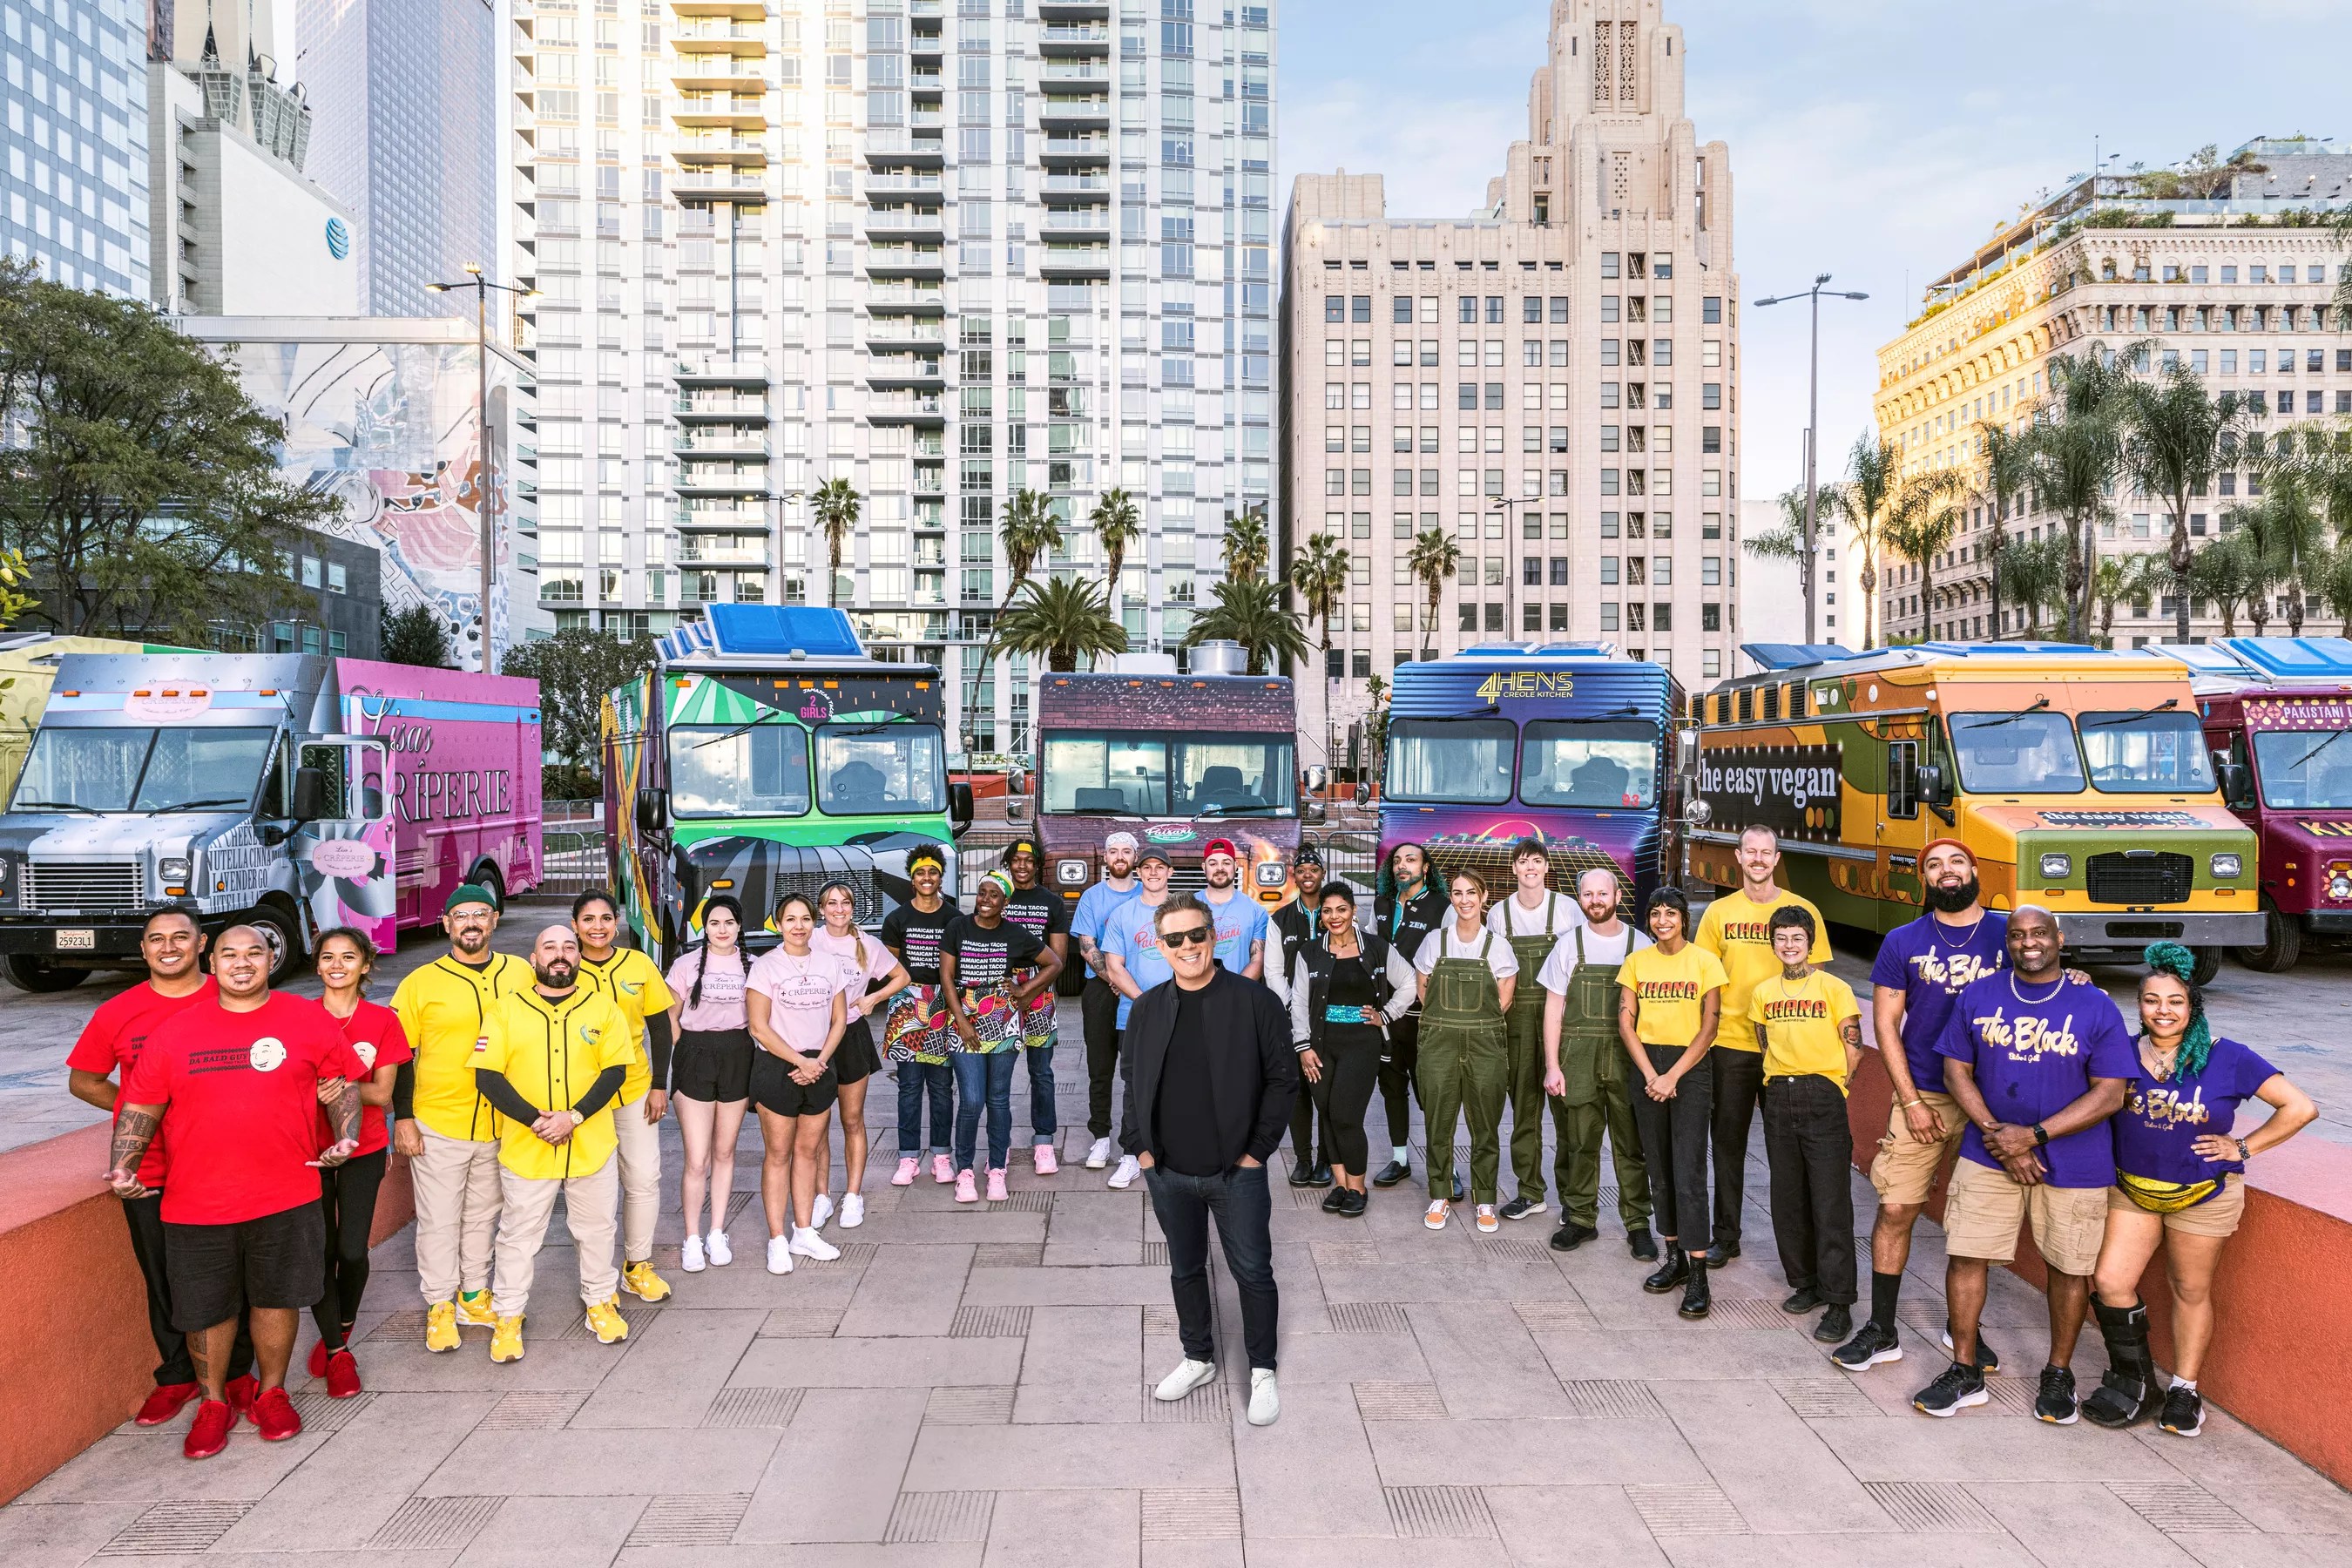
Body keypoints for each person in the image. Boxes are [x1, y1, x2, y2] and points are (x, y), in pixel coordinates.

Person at [105, 925, 365, 1459]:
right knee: (206, 1309)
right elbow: (140, 1107)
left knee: (277, 1298)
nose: (242, 962)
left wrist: (345, 1135)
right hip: (196, 1201)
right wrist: (123, 1166)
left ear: (273, 959)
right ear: (212, 960)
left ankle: (271, 1392)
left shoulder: (306, 1019)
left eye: (255, 952)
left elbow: (339, 1083)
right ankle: (213, 1402)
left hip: (288, 1195)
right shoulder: (176, 1032)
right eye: (230, 953)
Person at [2082, 943, 2315, 1436]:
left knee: (2189, 1289)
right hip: (2132, 1192)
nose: (2163, 1011)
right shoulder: (2120, 1053)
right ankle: (2139, 1381)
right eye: (2151, 1000)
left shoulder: (2225, 1057)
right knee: (2110, 1282)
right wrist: (2081, 988)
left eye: (2175, 1001)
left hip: (2204, 1197)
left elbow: (2299, 1108)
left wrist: (2244, 1148)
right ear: (2139, 1005)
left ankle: (2186, 1389)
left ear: (2194, 1007)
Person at [1913, 907, 2132, 1423]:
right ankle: (1965, 1370)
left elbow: (2111, 1094)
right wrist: (1998, 1134)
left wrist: (2032, 1137)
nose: (2028, 943)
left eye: (2038, 934)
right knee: (1966, 1254)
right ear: (2007, 943)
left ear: (2059, 938)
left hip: (2075, 1160)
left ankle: (2058, 1373)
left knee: (2068, 1267)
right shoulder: (1980, 994)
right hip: (1988, 1154)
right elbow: (1955, 1069)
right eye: (2017, 935)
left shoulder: (2094, 1004)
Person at [68, 909, 255, 1428]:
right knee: (162, 1275)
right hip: (149, 1168)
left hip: (225, 1163)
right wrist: (143, 1112)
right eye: (156, 939)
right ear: (144, 948)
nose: (168, 947)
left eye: (180, 937)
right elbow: (84, 1080)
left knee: (230, 1271)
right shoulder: (118, 1011)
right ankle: (176, 1376)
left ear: (202, 945)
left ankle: (237, 1372)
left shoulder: (233, 994)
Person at [1834, 839, 2011, 1375]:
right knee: (1895, 1209)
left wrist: (2077, 977)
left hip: (1996, 1099)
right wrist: (1909, 1099)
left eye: (1957, 861)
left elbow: (2050, 979)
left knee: (1975, 1224)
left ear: (1975, 869)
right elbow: (1885, 1024)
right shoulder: (1902, 940)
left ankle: (1965, 1331)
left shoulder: (2010, 931)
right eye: (1934, 865)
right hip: (1927, 1093)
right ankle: (1882, 1329)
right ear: (1925, 880)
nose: (1946, 871)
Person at [1123, 892, 1295, 1428]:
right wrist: (1143, 1151)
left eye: (1196, 935)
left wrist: (1255, 1154)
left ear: (1213, 936)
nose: (1188, 946)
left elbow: (1281, 1081)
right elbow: (1131, 1081)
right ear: (1160, 946)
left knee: (1253, 1272)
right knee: (1185, 1268)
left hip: (1235, 1173)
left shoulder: (1254, 1001)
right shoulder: (1148, 1007)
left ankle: (1262, 1369)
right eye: (1175, 939)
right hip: (1168, 1172)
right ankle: (1198, 1357)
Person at [473, 926, 638, 1363]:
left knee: (597, 1228)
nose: (560, 954)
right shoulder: (505, 1009)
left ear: (579, 957)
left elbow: (615, 1072)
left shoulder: (603, 1008)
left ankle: (600, 1301)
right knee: (517, 1238)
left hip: (591, 1143)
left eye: (569, 946)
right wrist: (537, 1121)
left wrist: (574, 1117)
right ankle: (508, 1316)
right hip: (528, 1147)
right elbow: (487, 1076)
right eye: (550, 947)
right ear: (533, 958)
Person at [389, 883, 533, 1351]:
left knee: (483, 1215)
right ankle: (440, 1305)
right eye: (461, 916)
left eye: (481, 914)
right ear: (446, 924)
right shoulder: (420, 982)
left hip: (502, 1120)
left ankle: (473, 1296)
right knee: (438, 1220)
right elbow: (400, 1055)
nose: (471, 923)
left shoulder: (521, 972)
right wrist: (404, 1118)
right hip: (438, 1120)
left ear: (493, 921)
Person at [1694, 826, 1829, 1264]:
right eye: (1749, 851)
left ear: (1776, 858)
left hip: (1787, 1051)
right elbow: (1706, 983)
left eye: (1765, 852)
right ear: (1738, 856)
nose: (1757, 859)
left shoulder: (1803, 909)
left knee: (1789, 1151)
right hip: (1731, 1046)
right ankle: (1726, 1237)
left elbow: (1820, 983)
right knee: (1728, 1145)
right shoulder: (1718, 912)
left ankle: (1796, 1243)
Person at [1748, 906, 1864, 1346]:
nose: (1789, 945)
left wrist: (1838, 1089)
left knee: (1831, 1201)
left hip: (1823, 1095)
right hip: (1779, 1094)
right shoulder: (1763, 993)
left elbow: (1853, 1047)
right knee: (1788, 1197)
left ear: (1810, 942)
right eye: (1781, 939)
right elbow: (1765, 1045)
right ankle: (1807, 1282)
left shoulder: (1834, 989)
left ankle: (1839, 1302)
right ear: (1773, 943)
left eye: (1797, 938)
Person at [306, 929, 410, 1398]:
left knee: (351, 1251)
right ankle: (335, 1349)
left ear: (365, 965)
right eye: (328, 957)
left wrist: (339, 1088)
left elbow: (383, 1095)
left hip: (363, 1148)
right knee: (319, 1253)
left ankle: (343, 1320)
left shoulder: (383, 1021)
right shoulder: (297, 1018)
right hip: (305, 1151)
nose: (337, 965)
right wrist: (333, 1089)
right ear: (317, 965)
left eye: (348, 957)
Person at [1616, 887, 1727, 1320]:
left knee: (1689, 1171)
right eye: (1656, 913)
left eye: (1671, 914)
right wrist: (1650, 1075)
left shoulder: (1704, 962)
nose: (1663, 921)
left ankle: (1698, 1273)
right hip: (1648, 1065)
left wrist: (1673, 1076)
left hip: (1689, 1068)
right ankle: (1674, 1256)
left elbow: (1710, 1026)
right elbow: (1627, 1023)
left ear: (1684, 919)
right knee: (1659, 1170)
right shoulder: (1636, 963)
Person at [1538, 869, 1656, 1259]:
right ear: (1580, 899)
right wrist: (1553, 1065)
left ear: (1618, 896)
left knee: (1630, 1145)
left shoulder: (1640, 945)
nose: (1595, 900)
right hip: (1579, 1057)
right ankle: (1581, 1219)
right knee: (1580, 1142)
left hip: (1626, 1058)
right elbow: (1553, 1008)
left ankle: (1638, 1224)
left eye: (1602, 893)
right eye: (1587, 894)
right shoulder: (1568, 945)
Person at [1285, 882, 1416, 1218]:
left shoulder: (1375, 947)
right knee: (1327, 1113)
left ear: (1354, 910)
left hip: (1362, 1042)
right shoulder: (1309, 952)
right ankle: (1341, 1184)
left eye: (1341, 909)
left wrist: (1386, 1014)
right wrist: (1302, 1047)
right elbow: (1298, 1001)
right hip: (1319, 1045)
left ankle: (1358, 1188)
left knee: (1345, 1114)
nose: (1334, 916)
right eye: (1327, 911)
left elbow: (1410, 982)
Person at [571, 891, 676, 1305]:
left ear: (617, 921)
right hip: (580, 1098)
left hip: (634, 1090)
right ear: (575, 924)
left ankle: (637, 1266)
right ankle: (595, 1277)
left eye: (606, 918)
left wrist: (659, 1085)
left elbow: (661, 1029)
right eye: (588, 919)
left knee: (644, 1178)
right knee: (591, 1190)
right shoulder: (563, 966)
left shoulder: (638, 964)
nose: (597, 926)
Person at [943, 871, 1064, 1201]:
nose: (985, 900)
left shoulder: (1015, 933)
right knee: (971, 1100)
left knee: (998, 1099)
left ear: (1005, 902)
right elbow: (946, 977)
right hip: (964, 1020)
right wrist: (961, 1022)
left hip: (1003, 1021)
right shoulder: (958, 928)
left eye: (994, 895)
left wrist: (1025, 990)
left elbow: (1054, 962)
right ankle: (965, 1171)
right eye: (981, 893)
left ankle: (997, 1169)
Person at [746, 892, 849, 1270]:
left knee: (808, 1153)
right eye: (790, 919)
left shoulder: (828, 963)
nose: (799, 926)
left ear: (814, 922)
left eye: (805, 918)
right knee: (778, 1155)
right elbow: (758, 1025)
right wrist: (799, 1061)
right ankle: (777, 1239)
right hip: (778, 1068)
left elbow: (839, 1019)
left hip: (820, 1067)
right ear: (778, 923)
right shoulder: (766, 967)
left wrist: (819, 1061)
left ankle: (803, 1232)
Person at [1416, 869, 1520, 1233]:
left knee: (1485, 1124)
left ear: (1484, 896)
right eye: (1458, 893)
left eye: (1471, 893)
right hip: (1440, 1040)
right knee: (1438, 1122)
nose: (1464, 900)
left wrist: (1476, 1022)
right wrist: (1448, 1021)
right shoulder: (1434, 941)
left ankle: (1486, 1198)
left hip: (1484, 1042)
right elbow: (1423, 991)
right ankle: (1440, 1194)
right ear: (1452, 898)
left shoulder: (1498, 946)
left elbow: (1504, 998)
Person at [1484, 838, 1572, 1222]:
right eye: (1523, 862)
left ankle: (1573, 1198)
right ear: (1514, 869)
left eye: (1537, 861)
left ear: (1547, 867)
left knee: (1568, 1114)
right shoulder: (1499, 916)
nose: (1530, 868)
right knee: (1524, 1113)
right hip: (1516, 1024)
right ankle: (1530, 1191)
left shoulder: (1568, 910)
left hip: (1562, 1025)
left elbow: (1577, 972)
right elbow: (1496, 974)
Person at [664, 895, 754, 1271]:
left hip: (737, 1053)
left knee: (725, 1152)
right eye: (714, 923)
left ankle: (717, 1232)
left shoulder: (755, 966)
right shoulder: (685, 965)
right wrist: (683, 1051)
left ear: (738, 926)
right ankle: (692, 1237)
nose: (722, 930)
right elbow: (669, 1014)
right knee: (697, 1159)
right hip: (695, 1054)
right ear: (705, 927)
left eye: (729, 923)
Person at [814, 880, 911, 1229]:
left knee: (851, 1119)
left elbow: (902, 976)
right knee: (817, 1123)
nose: (839, 909)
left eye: (846, 903)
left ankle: (853, 1196)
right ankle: (821, 1195)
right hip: (814, 1036)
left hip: (851, 1035)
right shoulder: (808, 939)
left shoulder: (867, 944)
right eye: (832, 903)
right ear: (821, 909)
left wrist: (873, 998)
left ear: (854, 908)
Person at [1100, 848, 1180, 1189]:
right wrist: (1145, 1000)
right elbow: (1114, 965)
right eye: (1146, 868)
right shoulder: (1123, 914)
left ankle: (1176, 1151)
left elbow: (1197, 957)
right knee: (1134, 1086)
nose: (1152, 873)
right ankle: (1131, 1155)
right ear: (1139, 872)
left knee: (1179, 1083)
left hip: (1181, 1012)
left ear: (1170, 872)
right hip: (1133, 1015)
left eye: (1159, 868)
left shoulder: (1183, 912)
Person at [1371, 841, 1449, 1193]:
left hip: (1423, 1017)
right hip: (1386, 1016)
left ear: (1426, 868)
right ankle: (1400, 1159)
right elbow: (1370, 951)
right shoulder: (1382, 905)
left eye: (1411, 860)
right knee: (1392, 1089)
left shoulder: (1442, 907)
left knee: (1430, 1093)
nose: (1403, 866)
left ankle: (1445, 1166)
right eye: (1398, 861)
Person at [881, 847, 959, 1186]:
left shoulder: (954, 918)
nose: (927, 879)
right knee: (909, 1087)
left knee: (942, 1087)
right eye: (920, 873)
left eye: (933, 872)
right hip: (907, 1005)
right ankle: (908, 1157)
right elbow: (891, 969)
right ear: (911, 879)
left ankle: (942, 1156)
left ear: (941, 877)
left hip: (944, 1006)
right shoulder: (897, 919)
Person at [1070, 831, 1142, 1171]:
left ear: (1135, 858)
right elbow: (1087, 946)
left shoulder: (1149, 895)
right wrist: (1113, 978)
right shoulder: (1091, 897)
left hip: (1138, 987)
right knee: (1100, 1069)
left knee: (1136, 1071)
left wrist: (1126, 982)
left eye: (1126, 851)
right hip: (1101, 990)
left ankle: (1133, 1143)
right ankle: (1100, 1139)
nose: (1119, 856)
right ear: (1106, 858)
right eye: (1113, 851)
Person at [1000, 839, 1071, 1173]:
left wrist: (1028, 991)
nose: (1022, 866)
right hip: (999, 991)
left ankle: (1043, 1141)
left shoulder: (1052, 903)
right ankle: (999, 1141)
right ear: (1008, 864)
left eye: (1029, 860)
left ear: (1037, 865)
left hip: (1039, 989)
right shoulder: (997, 896)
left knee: (1040, 1071)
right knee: (999, 1074)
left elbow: (1059, 957)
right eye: (1016, 860)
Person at [1267, 844, 1335, 1188]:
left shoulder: (1335, 914)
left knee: (1324, 1089)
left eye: (1314, 870)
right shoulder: (1279, 918)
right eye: (1302, 870)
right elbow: (1274, 970)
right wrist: (1293, 1005)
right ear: (1294, 876)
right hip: (1294, 1016)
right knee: (1298, 1090)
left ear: (1323, 874)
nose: (1308, 876)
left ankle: (1325, 1158)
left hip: (1330, 1017)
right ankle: (1303, 1159)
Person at [1198, 838, 1270, 981]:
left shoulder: (1256, 911)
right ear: (1203, 867)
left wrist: (1235, 991)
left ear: (1235, 866)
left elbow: (1258, 961)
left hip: (1239, 994)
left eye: (1226, 863)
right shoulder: (1189, 906)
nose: (1220, 868)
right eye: (1213, 863)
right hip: (1195, 993)